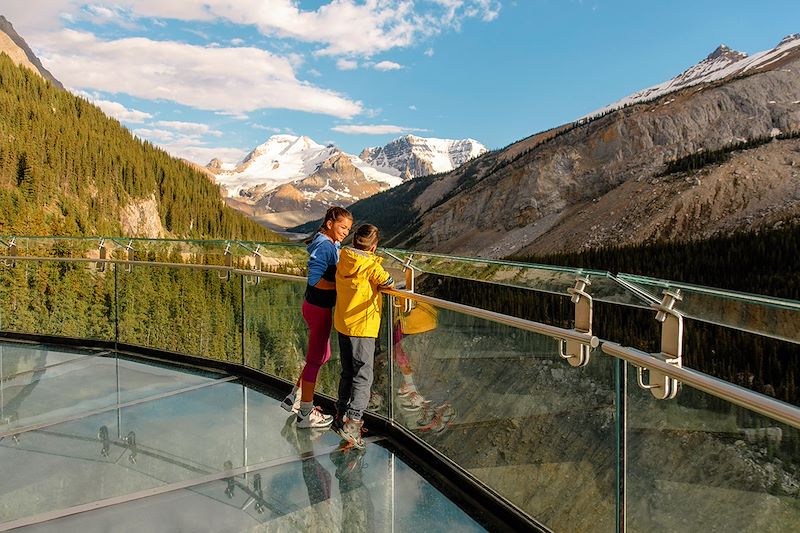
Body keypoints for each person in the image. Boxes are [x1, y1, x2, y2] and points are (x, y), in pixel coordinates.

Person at [281, 206, 353, 429]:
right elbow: (314, 279)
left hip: (314, 306)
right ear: (330, 224)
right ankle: (305, 413)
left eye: (348, 229)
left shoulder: (329, 242)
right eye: (342, 227)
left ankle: (295, 397)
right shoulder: (324, 245)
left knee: (321, 355)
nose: (345, 232)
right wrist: (341, 287)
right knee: (316, 358)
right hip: (319, 309)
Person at [332, 224, 394, 448]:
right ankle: (354, 421)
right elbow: (388, 281)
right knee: (363, 375)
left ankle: (340, 415)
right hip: (363, 327)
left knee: (348, 371)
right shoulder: (369, 265)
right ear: (374, 247)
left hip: (343, 324)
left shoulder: (343, 259)